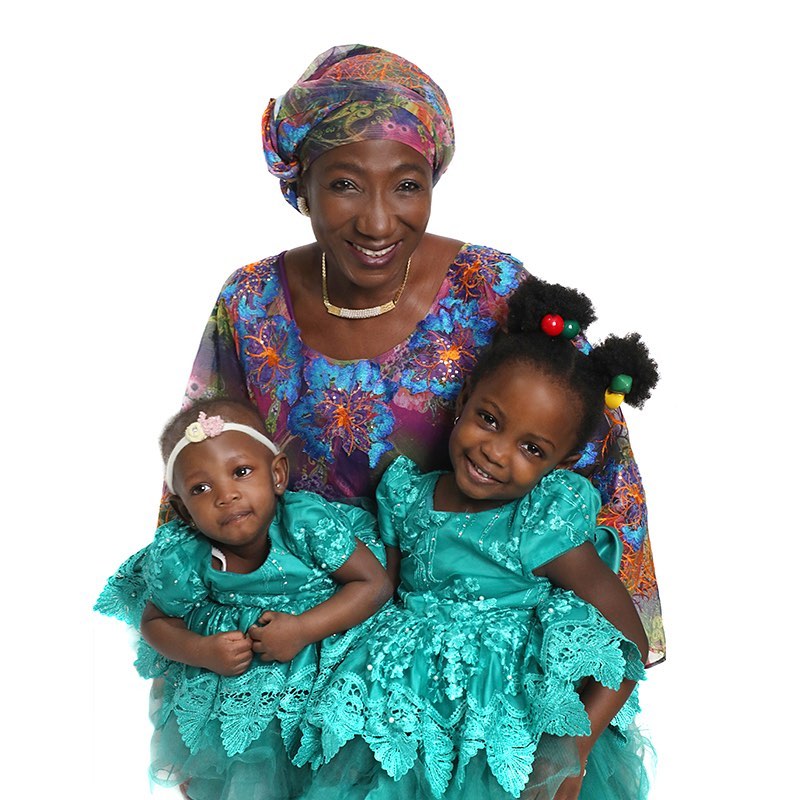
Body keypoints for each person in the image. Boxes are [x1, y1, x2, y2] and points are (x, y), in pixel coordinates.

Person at [174, 43, 665, 663]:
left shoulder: (489, 290)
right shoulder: (250, 304)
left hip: (472, 654)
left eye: (407, 186)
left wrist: (604, 672)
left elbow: (598, 460)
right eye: (346, 185)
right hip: (291, 638)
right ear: (302, 185)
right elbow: (195, 464)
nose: (378, 223)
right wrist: (186, 636)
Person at [295, 276, 658, 800]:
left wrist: (574, 750)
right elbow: (381, 592)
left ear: (562, 463)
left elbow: (629, 642)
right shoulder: (405, 494)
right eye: (489, 419)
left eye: (532, 449)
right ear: (464, 400)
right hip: (403, 712)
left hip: (501, 725)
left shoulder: (538, 524)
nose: (496, 451)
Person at [95, 398, 394, 800]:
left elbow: (373, 585)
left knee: (335, 759)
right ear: (183, 511)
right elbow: (155, 622)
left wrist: (303, 629)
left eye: (241, 472)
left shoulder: (305, 523)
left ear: (277, 475)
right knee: (252, 770)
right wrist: (201, 651)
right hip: (245, 690)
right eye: (202, 488)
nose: (226, 495)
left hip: (328, 660)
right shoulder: (187, 556)